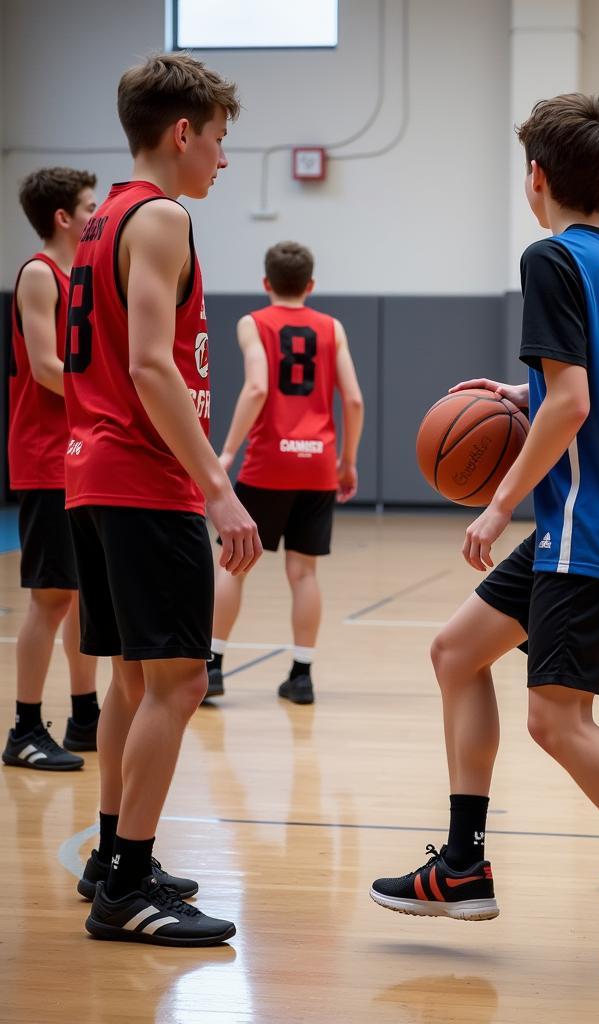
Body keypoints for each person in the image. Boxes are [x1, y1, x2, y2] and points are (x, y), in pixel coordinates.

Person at [370, 93, 599, 978]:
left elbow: (576, 401)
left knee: (557, 718)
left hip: (592, 519)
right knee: (457, 652)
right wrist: (518, 396)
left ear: (534, 177)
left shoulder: (549, 259)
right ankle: (463, 864)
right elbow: (598, 391)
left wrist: (501, 500)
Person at [64, 52, 261, 946]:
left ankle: (113, 854)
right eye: (219, 141)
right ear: (182, 132)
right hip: (145, 480)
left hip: (91, 475)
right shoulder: (162, 215)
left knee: (134, 679)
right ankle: (130, 890)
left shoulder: (101, 216)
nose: (222, 159)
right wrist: (218, 489)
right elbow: (151, 364)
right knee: (180, 683)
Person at [205, 240, 364, 704]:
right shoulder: (332, 327)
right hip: (318, 464)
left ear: (265, 283)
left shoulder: (252, 323)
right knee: (304, 573)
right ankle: (301, 675)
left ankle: (212, 668)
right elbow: (353, 399)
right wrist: (347, 461)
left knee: (233, 566)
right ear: (310, 285)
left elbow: (257, 386)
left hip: (268, 462)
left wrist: (229, 450)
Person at [3, 168, 99, 772]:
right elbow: (44, 367)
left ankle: (85, 713)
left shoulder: (78, 275)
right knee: (51, 598)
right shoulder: (40, 274)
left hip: (81, 452)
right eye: (89, 206)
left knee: (86, 593)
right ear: (63, 217)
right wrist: (111, 394)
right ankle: (24, 727)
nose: (97, 215)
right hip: (45, 456)